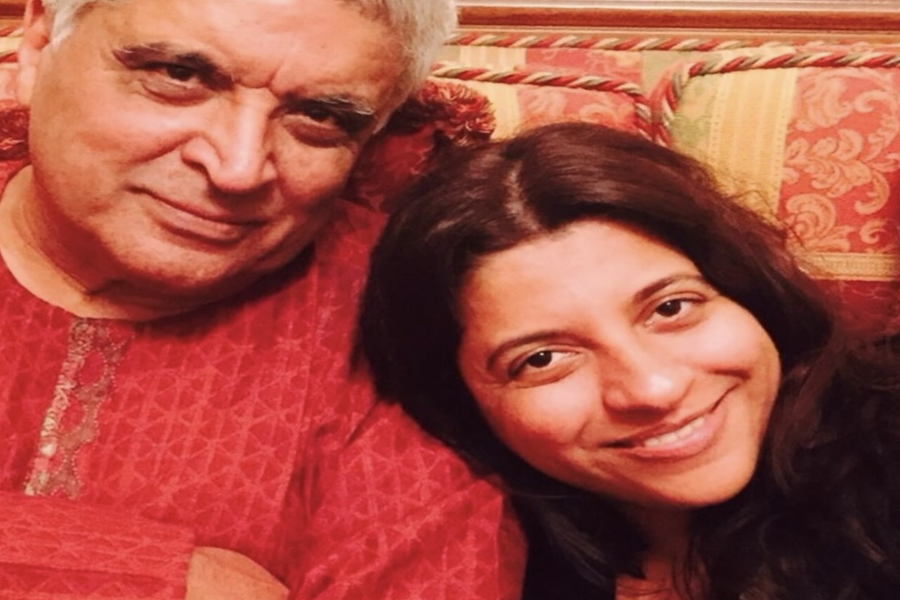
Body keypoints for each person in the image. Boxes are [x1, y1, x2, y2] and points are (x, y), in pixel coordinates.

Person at [0, 0, 525, 598]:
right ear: (39, 43)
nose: (238, 168)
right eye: (179, 75)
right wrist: (151, 575)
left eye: (320, 115)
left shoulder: (412, 312)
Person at [357, 121, 900, 599]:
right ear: (463, 403)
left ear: (752, 296)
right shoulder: (481, 558)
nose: (652, 388)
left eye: (671, 308)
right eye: (543, 359)